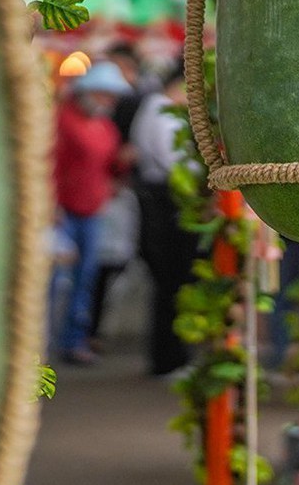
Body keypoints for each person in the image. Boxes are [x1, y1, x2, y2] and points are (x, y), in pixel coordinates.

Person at [50, 63, 132, 365]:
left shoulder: (104, 127)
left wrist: (122, 165)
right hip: (63, 212)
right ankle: (42, 344)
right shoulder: (62, 121)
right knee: (54, 281)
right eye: (103, 95)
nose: (108, 101)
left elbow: (110, 166)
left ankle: (73, 340)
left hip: (92, 210)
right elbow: (50, 164)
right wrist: (50, 204)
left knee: (84, 279)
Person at [130, 62, 195, 376]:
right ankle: (169, 359)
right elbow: (174, 161)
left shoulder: (154, 109)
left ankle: (171, 356)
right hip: (166, 204)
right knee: (172, 284)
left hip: (164, 201)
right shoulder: (161, 112)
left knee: (171, 285)